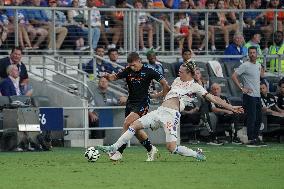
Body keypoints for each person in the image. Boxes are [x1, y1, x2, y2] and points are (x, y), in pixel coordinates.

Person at [97, 61, 243, 161]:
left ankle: (196, 154)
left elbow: (213, 98)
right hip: (160, 111)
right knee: (133, 125)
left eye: (181, 70)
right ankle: (114, 148)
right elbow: (167, 94)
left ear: (189, 73)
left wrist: (231, 107)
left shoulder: (195, 86)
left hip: (171, 116)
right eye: (178, 69)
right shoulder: (176, 81)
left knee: (171, 148)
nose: (178, 71)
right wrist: (155, 95)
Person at [103, 52, 170, 161]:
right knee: (135, 129)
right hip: (130, 102)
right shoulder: (128, 70)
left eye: (134, 65)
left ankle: (118, 152)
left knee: (127, 122)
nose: (132, 67)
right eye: (130, 65)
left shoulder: (149, 70)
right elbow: (114, 77)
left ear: (139, 61)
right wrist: (107, 76)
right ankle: (151, 149)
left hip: (142, 103)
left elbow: (165, 84)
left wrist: (160, 95)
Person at [232, 46, 266, 147]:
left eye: (254, 53)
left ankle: (255, 137)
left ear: (257, 54)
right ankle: (251, 138)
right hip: (249, 96)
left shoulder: (259, 65)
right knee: (252, 117)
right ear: (248, 54)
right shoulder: (245, 65)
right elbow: (234, 76)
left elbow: (258, 78)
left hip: (257, 96)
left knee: (259, 118)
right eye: (250, 53)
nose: (252, 54)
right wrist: (242, 88)